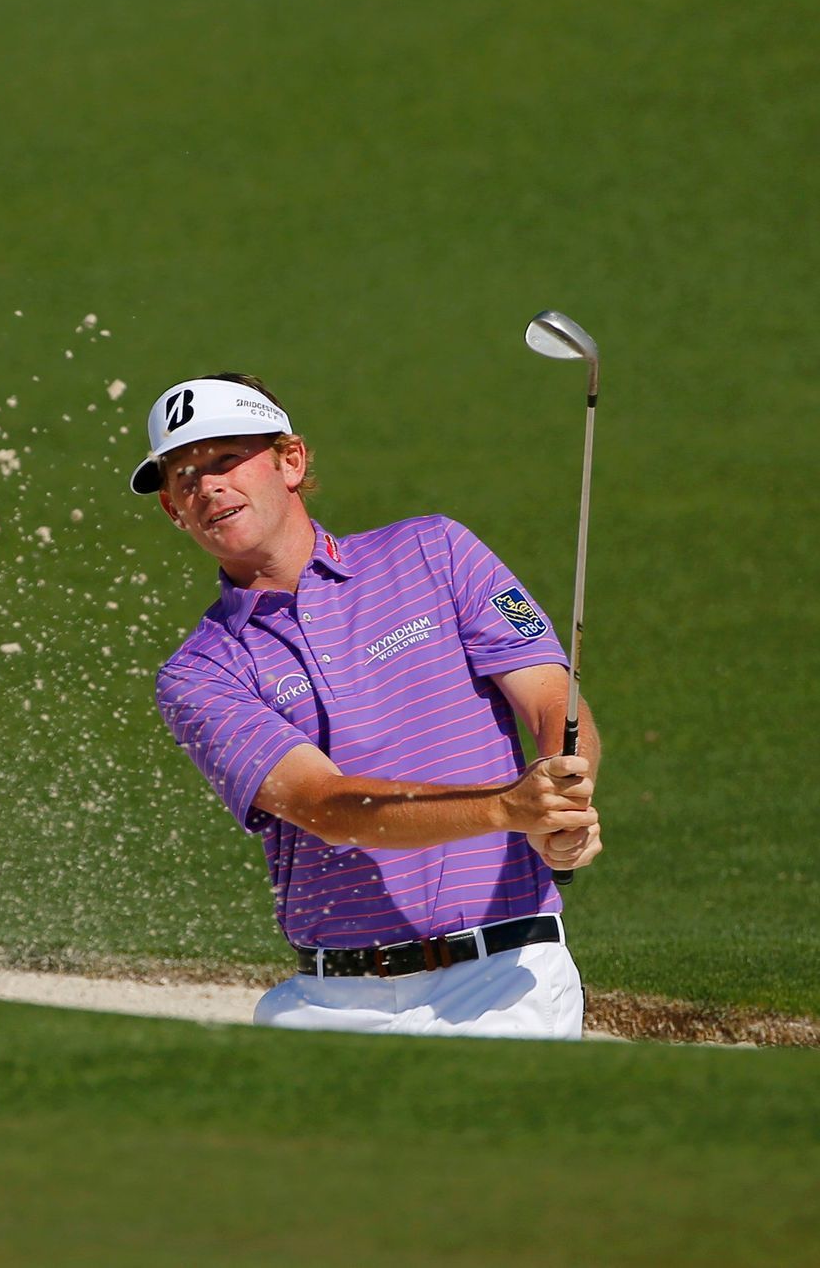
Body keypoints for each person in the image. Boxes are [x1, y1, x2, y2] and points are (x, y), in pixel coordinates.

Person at [132, 373, 602, 1039]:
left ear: (291, 461)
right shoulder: (199, 671)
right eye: (183, 476)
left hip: (504, 979)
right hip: (331, 999)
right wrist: (508, 808)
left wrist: (562, 796)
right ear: (172, 510)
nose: (207, 486)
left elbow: (552, 698)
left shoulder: (435, 551)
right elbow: (324, 806)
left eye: (227, 459)